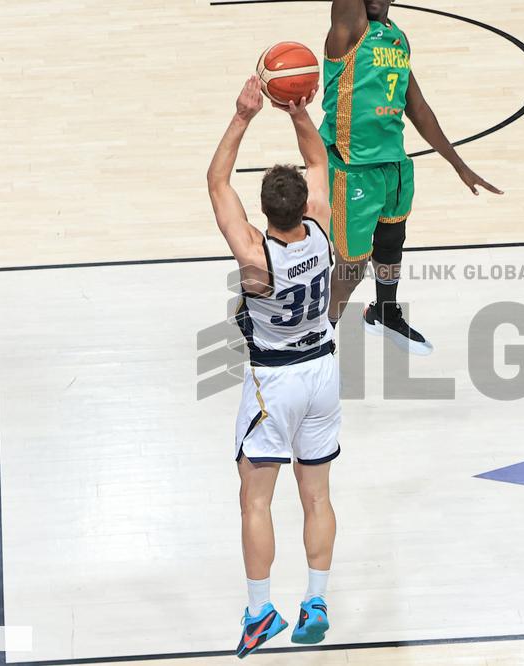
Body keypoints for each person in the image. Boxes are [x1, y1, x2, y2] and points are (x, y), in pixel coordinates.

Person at [207, 75, 339, 658]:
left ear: (263, 210)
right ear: (303, 204)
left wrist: (243, 114)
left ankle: (260, 611)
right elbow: (318, 160)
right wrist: (298, 110)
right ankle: (317, 598)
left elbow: (215, 182)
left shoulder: (255, 255)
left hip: (273, 381)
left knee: (255, 501)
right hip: (325, 375)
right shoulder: (322, 227)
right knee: (316, 497)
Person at [322, 0, 504, 355]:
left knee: (391, 245)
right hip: (354, 169)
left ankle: (384, 313)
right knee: (351, 268)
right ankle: (320, 337)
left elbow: (417, 107)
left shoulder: (398, 39)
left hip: (395, 165)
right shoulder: (350, 30)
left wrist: (458, 164)